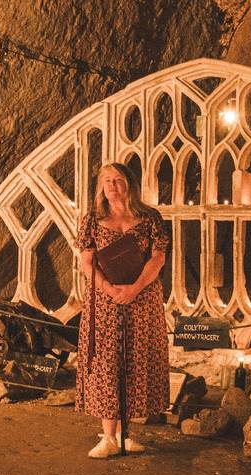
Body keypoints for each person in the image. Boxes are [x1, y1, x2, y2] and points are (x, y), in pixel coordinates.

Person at [74, 163, 170, 458]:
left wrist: (135, 288)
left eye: (118, 180)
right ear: (100, 186)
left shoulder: (150, 218)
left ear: (129, 183)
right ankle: (109, 436)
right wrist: (109, 290)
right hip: (105, 302)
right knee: (107, 362)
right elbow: (86, 262)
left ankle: (126, 434)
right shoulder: (92, 219)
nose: (113, 185)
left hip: (142, 300)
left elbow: (158, 258)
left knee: (135, 359)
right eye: (107, 181)